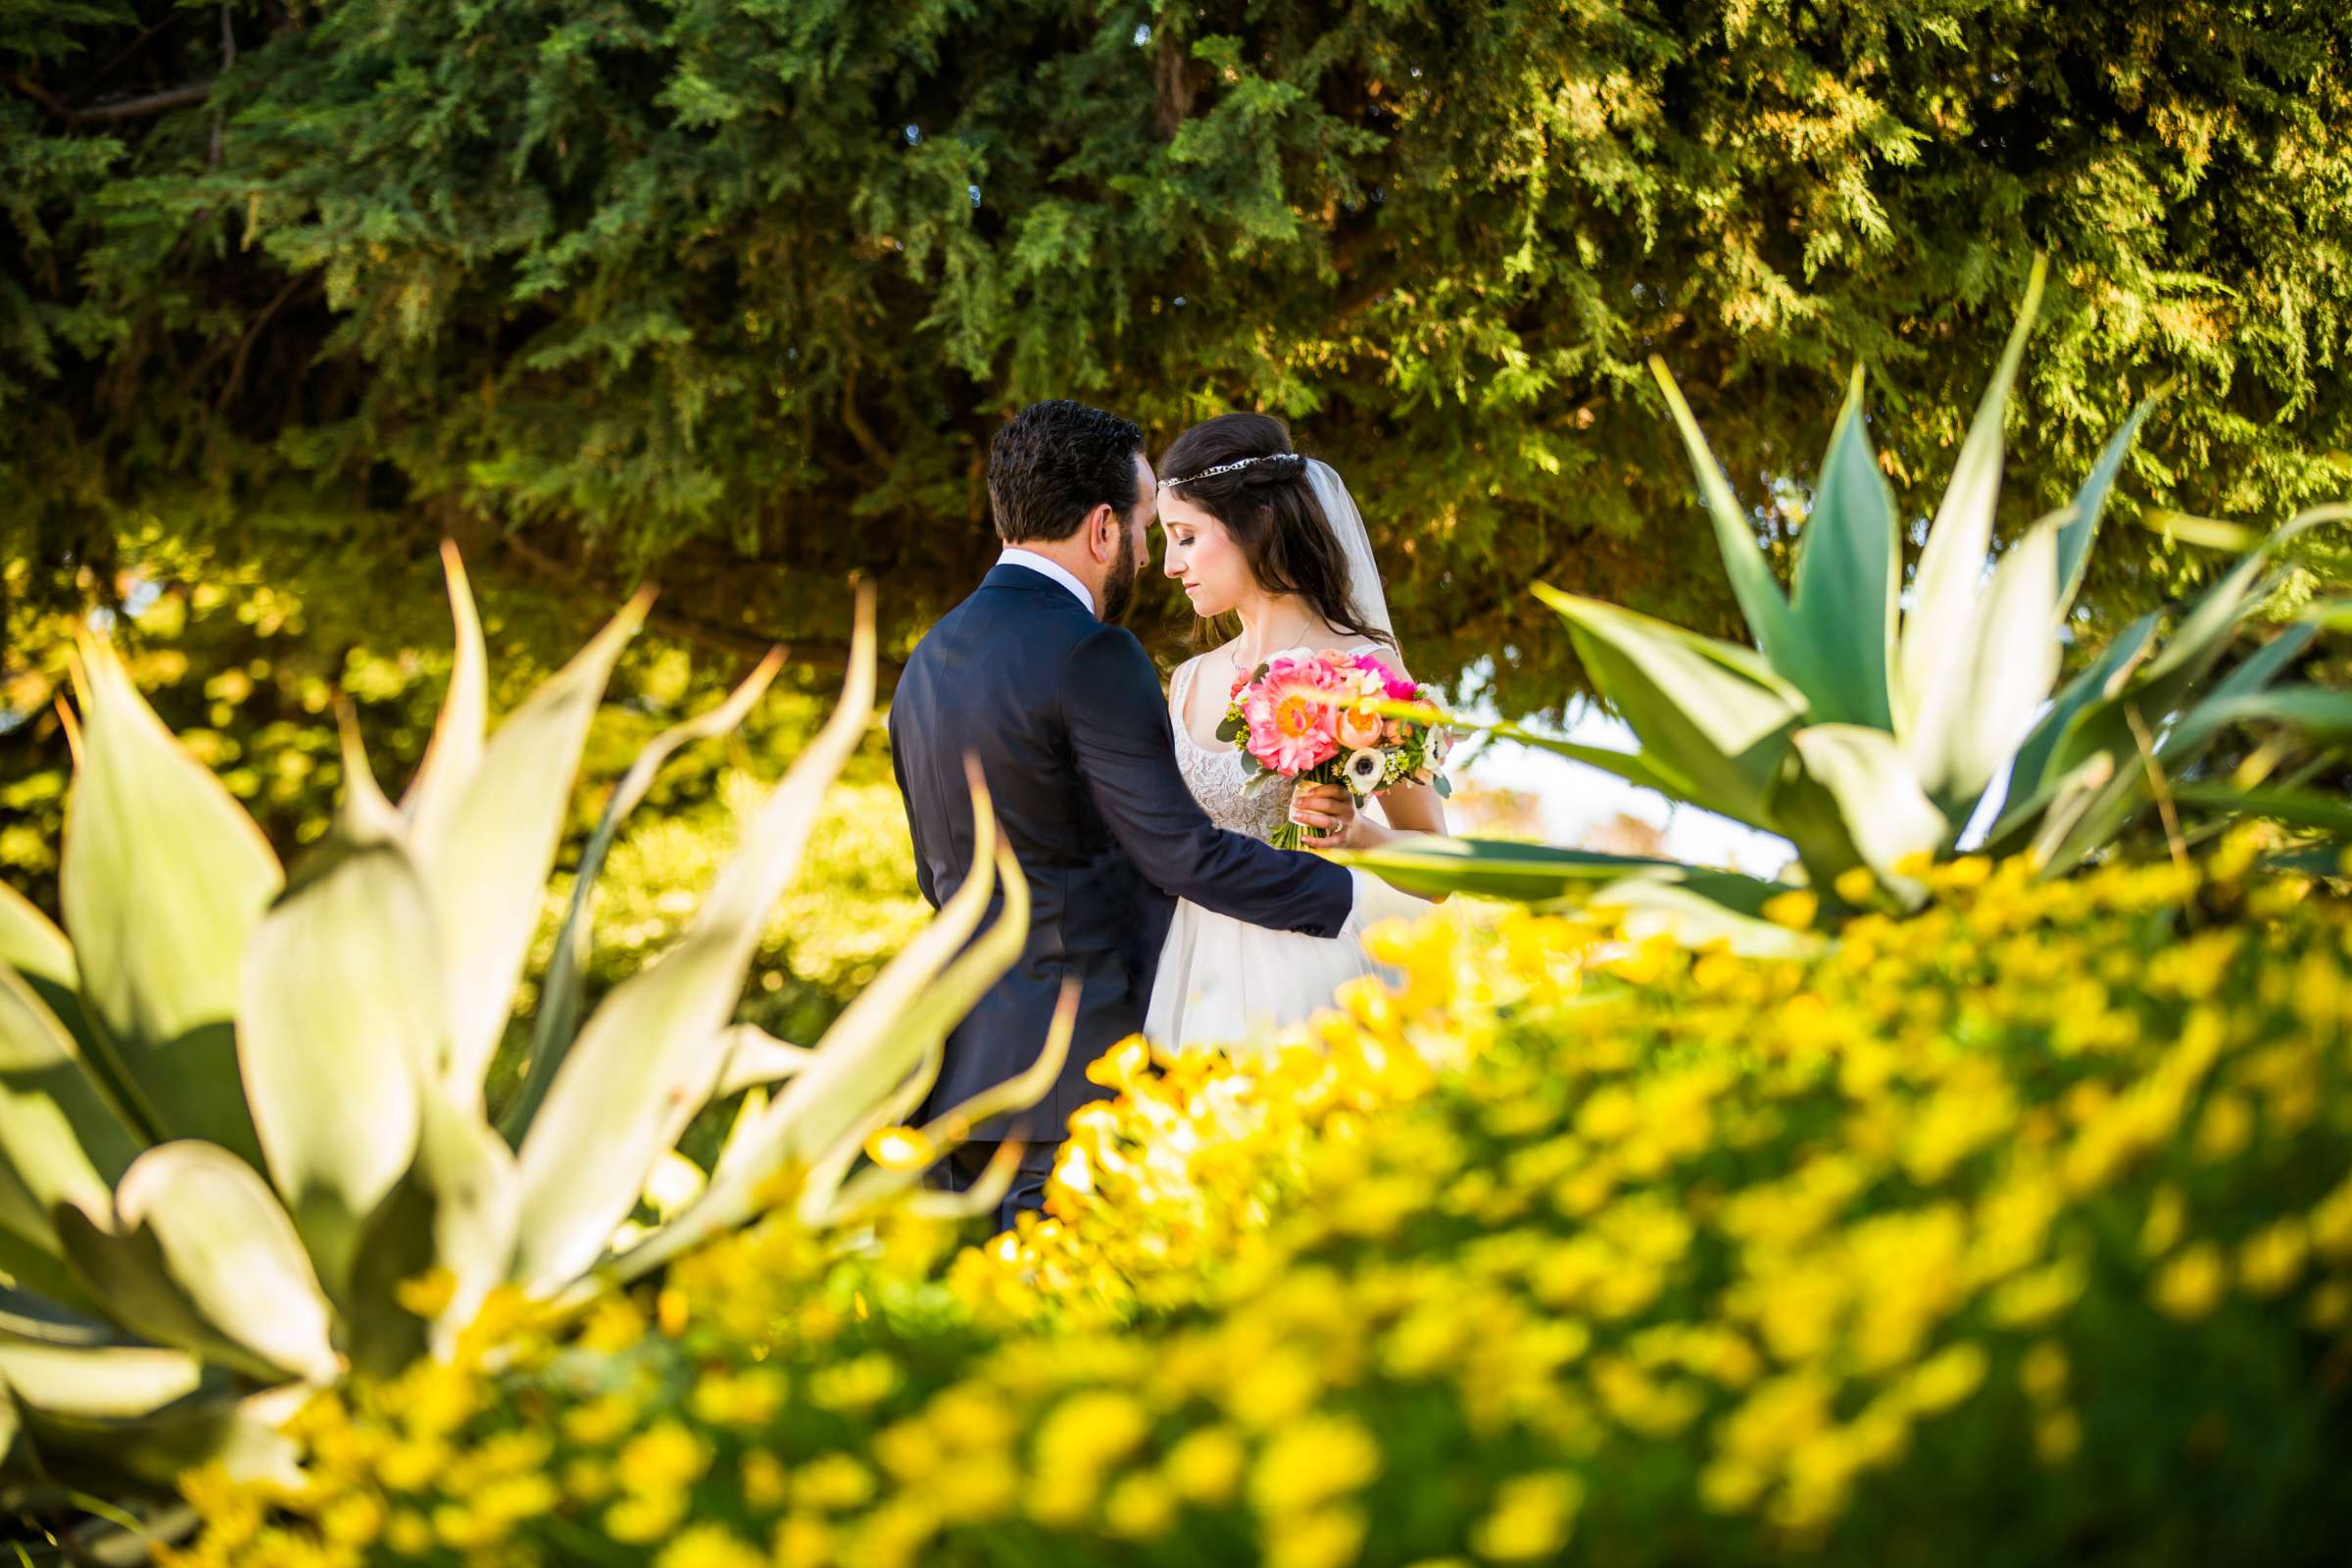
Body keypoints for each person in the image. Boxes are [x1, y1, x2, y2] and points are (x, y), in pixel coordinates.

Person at [887, 399, 1374, 1232]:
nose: (1153, 555)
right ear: (1104, 529)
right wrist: (1349, 899)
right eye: (1152, 528)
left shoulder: (926, 662)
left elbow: (944, 875)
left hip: (958, 1072)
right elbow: (1179, 853)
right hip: (1077, 1077)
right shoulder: (1091, 652)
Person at [1147, 412, 1446, 1052]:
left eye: (1186, 536)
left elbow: (1438, 869)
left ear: (1258, 525)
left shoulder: (1363, 670)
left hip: (1316, 981)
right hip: (1193, 978)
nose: (1170, 565)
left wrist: (1359, 834)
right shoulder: (1190, 680)